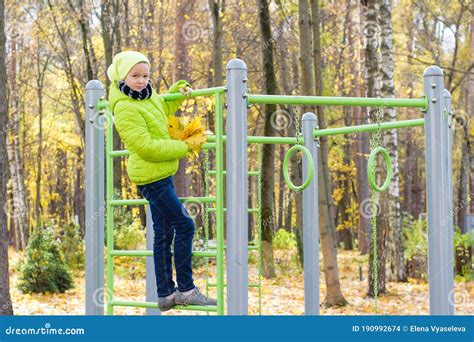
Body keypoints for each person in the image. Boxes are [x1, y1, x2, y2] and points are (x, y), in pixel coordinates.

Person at [107, 51, 216, 311]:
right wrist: (184, 146)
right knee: (185, 224)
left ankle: (166, 294)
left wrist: (177, 91)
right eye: (135, 76)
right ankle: (186, 289)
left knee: (164, 233)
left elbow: (160, 110)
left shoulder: (148, 95)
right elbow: (145, 146)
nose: (141, 81)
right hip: (150, 176)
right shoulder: (124, 107)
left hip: (161, 173)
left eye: (145, 75)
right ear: (122, 77)